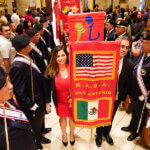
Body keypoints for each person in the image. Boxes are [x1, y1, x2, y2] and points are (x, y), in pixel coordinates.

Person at [9, 34, 51, 149]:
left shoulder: (27, 56)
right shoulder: (17, 66)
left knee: (41, 119)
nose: (30, 45)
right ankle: (37, 140)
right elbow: (19, 92)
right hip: (32, 103)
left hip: (39, 97)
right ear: (24, 48)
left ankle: (41, 133)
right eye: (28, 44)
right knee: (34, 124)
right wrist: (31, 105)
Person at [96, 36, 134, 147]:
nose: (124, 50)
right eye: (122, 46)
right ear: (116, 45)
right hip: (103, 95)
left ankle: (106, 133)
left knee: (111, 116)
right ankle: (98, 134)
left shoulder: (129, 64)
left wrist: (123, 98)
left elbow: (126, 84)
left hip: (117, 97)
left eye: (127, 47)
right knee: (101, 115)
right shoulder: (106, 59)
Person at [121, 30, 150, 141]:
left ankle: (136, 131)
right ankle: (131, 126)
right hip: (134, 92)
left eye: (144, 42)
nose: (141, 44)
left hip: (143, 96)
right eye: (141, 41)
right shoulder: (144, 54)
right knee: (134, 113)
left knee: (140, 116)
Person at [0, 66, 37, 150]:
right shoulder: (4, 132)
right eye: (5, 84)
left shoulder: (8, 99)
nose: (11, 86)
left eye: (8, 81)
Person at [45, 45, 75, 147]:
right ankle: (64, 135)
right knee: (63, 118)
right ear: (54, 57)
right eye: (58, 56)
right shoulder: (51, 71)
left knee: (72, 118)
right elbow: (47, 89)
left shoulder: (73, 67)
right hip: (60, 101)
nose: (61, 58)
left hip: (73, 100)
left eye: (63, 55)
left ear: (67, 55)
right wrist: (47, 103)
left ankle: (71, 133)